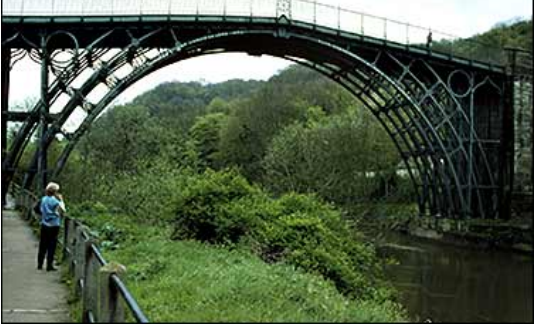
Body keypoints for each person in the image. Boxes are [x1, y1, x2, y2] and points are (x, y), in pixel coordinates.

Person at [37, 182, 66, 271]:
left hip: (44, 224)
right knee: (51, 245)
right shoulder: (56, 201)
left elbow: (37, 209)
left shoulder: (43, 199)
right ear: (55, 192)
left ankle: (40, 264)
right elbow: (63, 211)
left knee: (42, 244)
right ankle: (49, 265)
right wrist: (61, 200)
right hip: (54, 225)